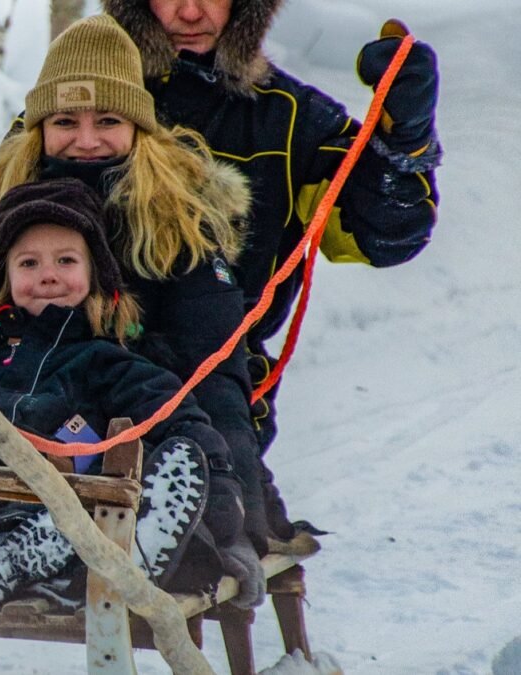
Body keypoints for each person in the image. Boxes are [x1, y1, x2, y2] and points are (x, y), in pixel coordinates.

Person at [101, 1, 442, 535]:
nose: (190, 12)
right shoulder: (81, 103)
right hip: (73, 375)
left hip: (221, 396)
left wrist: (405, 139)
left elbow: (383, 238)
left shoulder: (290, 118)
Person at [0, 14, 277, 559]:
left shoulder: (177, 224)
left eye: (107, 120)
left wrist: (236, 501)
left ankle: (165, 533)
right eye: (65, 122)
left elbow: (214, 372)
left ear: (138, 127)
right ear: (39, 127)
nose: (86, 141)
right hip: (4, 441)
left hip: (137, 441)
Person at [0, 178, 266, 610]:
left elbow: (179, 418)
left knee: (44, 518)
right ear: (5, 279)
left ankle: (31, 556)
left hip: (50, 499)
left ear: (95, 276)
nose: (48, 275)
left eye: (65, 260)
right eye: (29, 264)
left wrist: (222, 497)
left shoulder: (106, 361)